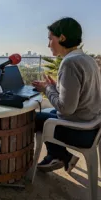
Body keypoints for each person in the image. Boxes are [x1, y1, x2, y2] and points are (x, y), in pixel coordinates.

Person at [32, 17, 101, 173]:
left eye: (50, 39)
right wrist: (57, 86)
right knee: (49, 113)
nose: (48, 44)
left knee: (33, 118)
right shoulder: (88, 60)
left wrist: (48, 89)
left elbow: (65, 109)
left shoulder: (70, 63)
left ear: (62, 37)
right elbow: (82, 91)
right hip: (92, 124)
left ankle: (58, 155)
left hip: (80, 131)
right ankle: (58, 156)